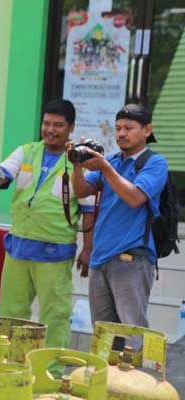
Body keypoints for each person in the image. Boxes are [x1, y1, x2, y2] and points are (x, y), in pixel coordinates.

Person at [0, 99, 94, 376]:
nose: (51, 129)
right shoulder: (27, 152)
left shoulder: (81, 161)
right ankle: (11, 369)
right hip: (18, 247)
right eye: (47, 123)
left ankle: (51, 373)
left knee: (54, 316)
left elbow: (90, 209)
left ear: (71, 128)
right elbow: (2, 171)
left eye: (58, 125)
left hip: (54, 252)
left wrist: (88, 249)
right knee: (11, 313)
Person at [71, 104, 167, 330]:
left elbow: (135, 198)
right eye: (118, 128)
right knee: (103, 333)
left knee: (132, 330)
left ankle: (136, 367)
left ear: (147, 130)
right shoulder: (112, 161)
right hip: (100, 257)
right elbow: (81, 191)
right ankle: (105, 367)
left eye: (129, 128)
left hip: (131, 257)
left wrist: (105, 168)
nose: (121, 133)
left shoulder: (155, 163)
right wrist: (77, 166)